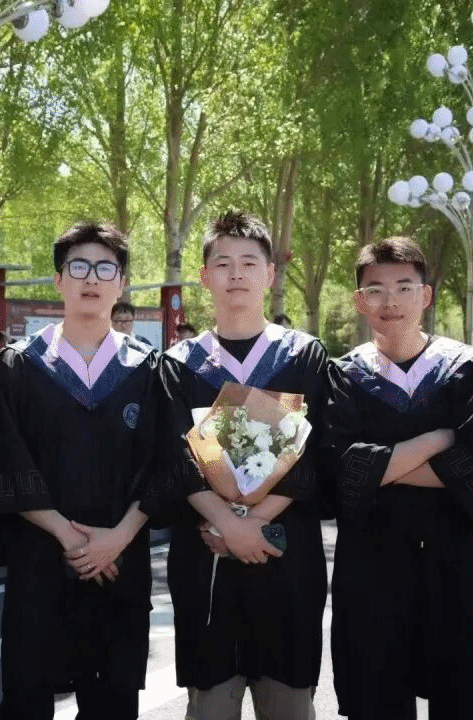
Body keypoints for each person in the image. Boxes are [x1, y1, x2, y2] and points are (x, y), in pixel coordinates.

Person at [144, 210, 330, 720]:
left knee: (289, 701)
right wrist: (228, 523)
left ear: (270, 274)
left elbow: (317, 453)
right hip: (207, 558)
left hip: (285, 556)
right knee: (210, 700)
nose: (236, 275)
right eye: (223, 264)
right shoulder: (180, 364)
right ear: (204, 277)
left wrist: (254, 523)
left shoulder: (303, 356)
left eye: (249, 263)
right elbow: (175, 458)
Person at [326, 236, 473, 720]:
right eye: (376, 290)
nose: (391, 301)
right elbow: (339, 473)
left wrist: (380, 467)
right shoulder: (344, 377)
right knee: (377, 699)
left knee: (465, 700)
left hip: (458, 565)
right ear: (359, 300)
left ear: (425, 295)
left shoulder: (469, 370)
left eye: (404, 287)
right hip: (373, 570)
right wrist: (438, 439)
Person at [0, 222, 158, 720]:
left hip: (120, 565)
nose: (92, 278)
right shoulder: (19, 365)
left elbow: (163, 464)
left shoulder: (148, 369)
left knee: (113, 706)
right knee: (27, 701)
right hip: (40, 564)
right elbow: (4, 461)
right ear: (58, 280)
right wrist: (69, 535)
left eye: (106, 268)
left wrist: (118, 538)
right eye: (78, 267)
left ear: (122, 284)